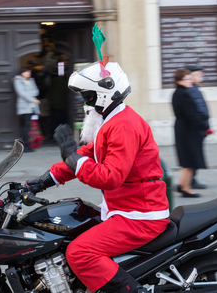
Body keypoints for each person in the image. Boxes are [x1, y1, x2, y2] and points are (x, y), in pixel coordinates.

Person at [26, 60, 169, 293]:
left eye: (88, 95)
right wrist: (43, 181)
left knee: (79, 252)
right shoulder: (112, 121)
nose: (86, 101)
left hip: (139, 215)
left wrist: (74, 159)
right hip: (124, 208)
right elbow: (86, 154)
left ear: (104, 94)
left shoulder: (124, 125)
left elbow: (111, 176)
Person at [171, 68, 210, 198]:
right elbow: (191, 115)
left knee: (188, 160)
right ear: (179, 81)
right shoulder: (183, 94)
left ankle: (182, 185)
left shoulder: (179, 92)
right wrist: (203, 125)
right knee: (190, 160)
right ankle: (186, 188)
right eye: (187, 79)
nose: (190, 81)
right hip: (188, 129)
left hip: (184, 128)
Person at [185, 65, 213, 190]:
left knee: (194, 155)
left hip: (198, 127)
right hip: (196, 129)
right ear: (191, 76)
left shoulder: (194, 89)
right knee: (193, 155)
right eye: (198, 74)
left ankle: (189, 180)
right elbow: (198, 110)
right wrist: (204, 125)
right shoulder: (191, 90)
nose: (201, 76)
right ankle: (189, 181)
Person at [14, 67, 41, 153]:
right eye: (26, 71)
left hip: (32, 106)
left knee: (29, 126)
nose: (28, 73)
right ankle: (25, 146)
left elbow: (36, 91)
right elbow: (21, 93)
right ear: (21, 73)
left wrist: (29, 94)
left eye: (29, 71)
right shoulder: (17, 81)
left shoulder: (31, 80)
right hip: (24, 107)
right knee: (25, 126)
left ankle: (29, 144)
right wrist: (32, 99)